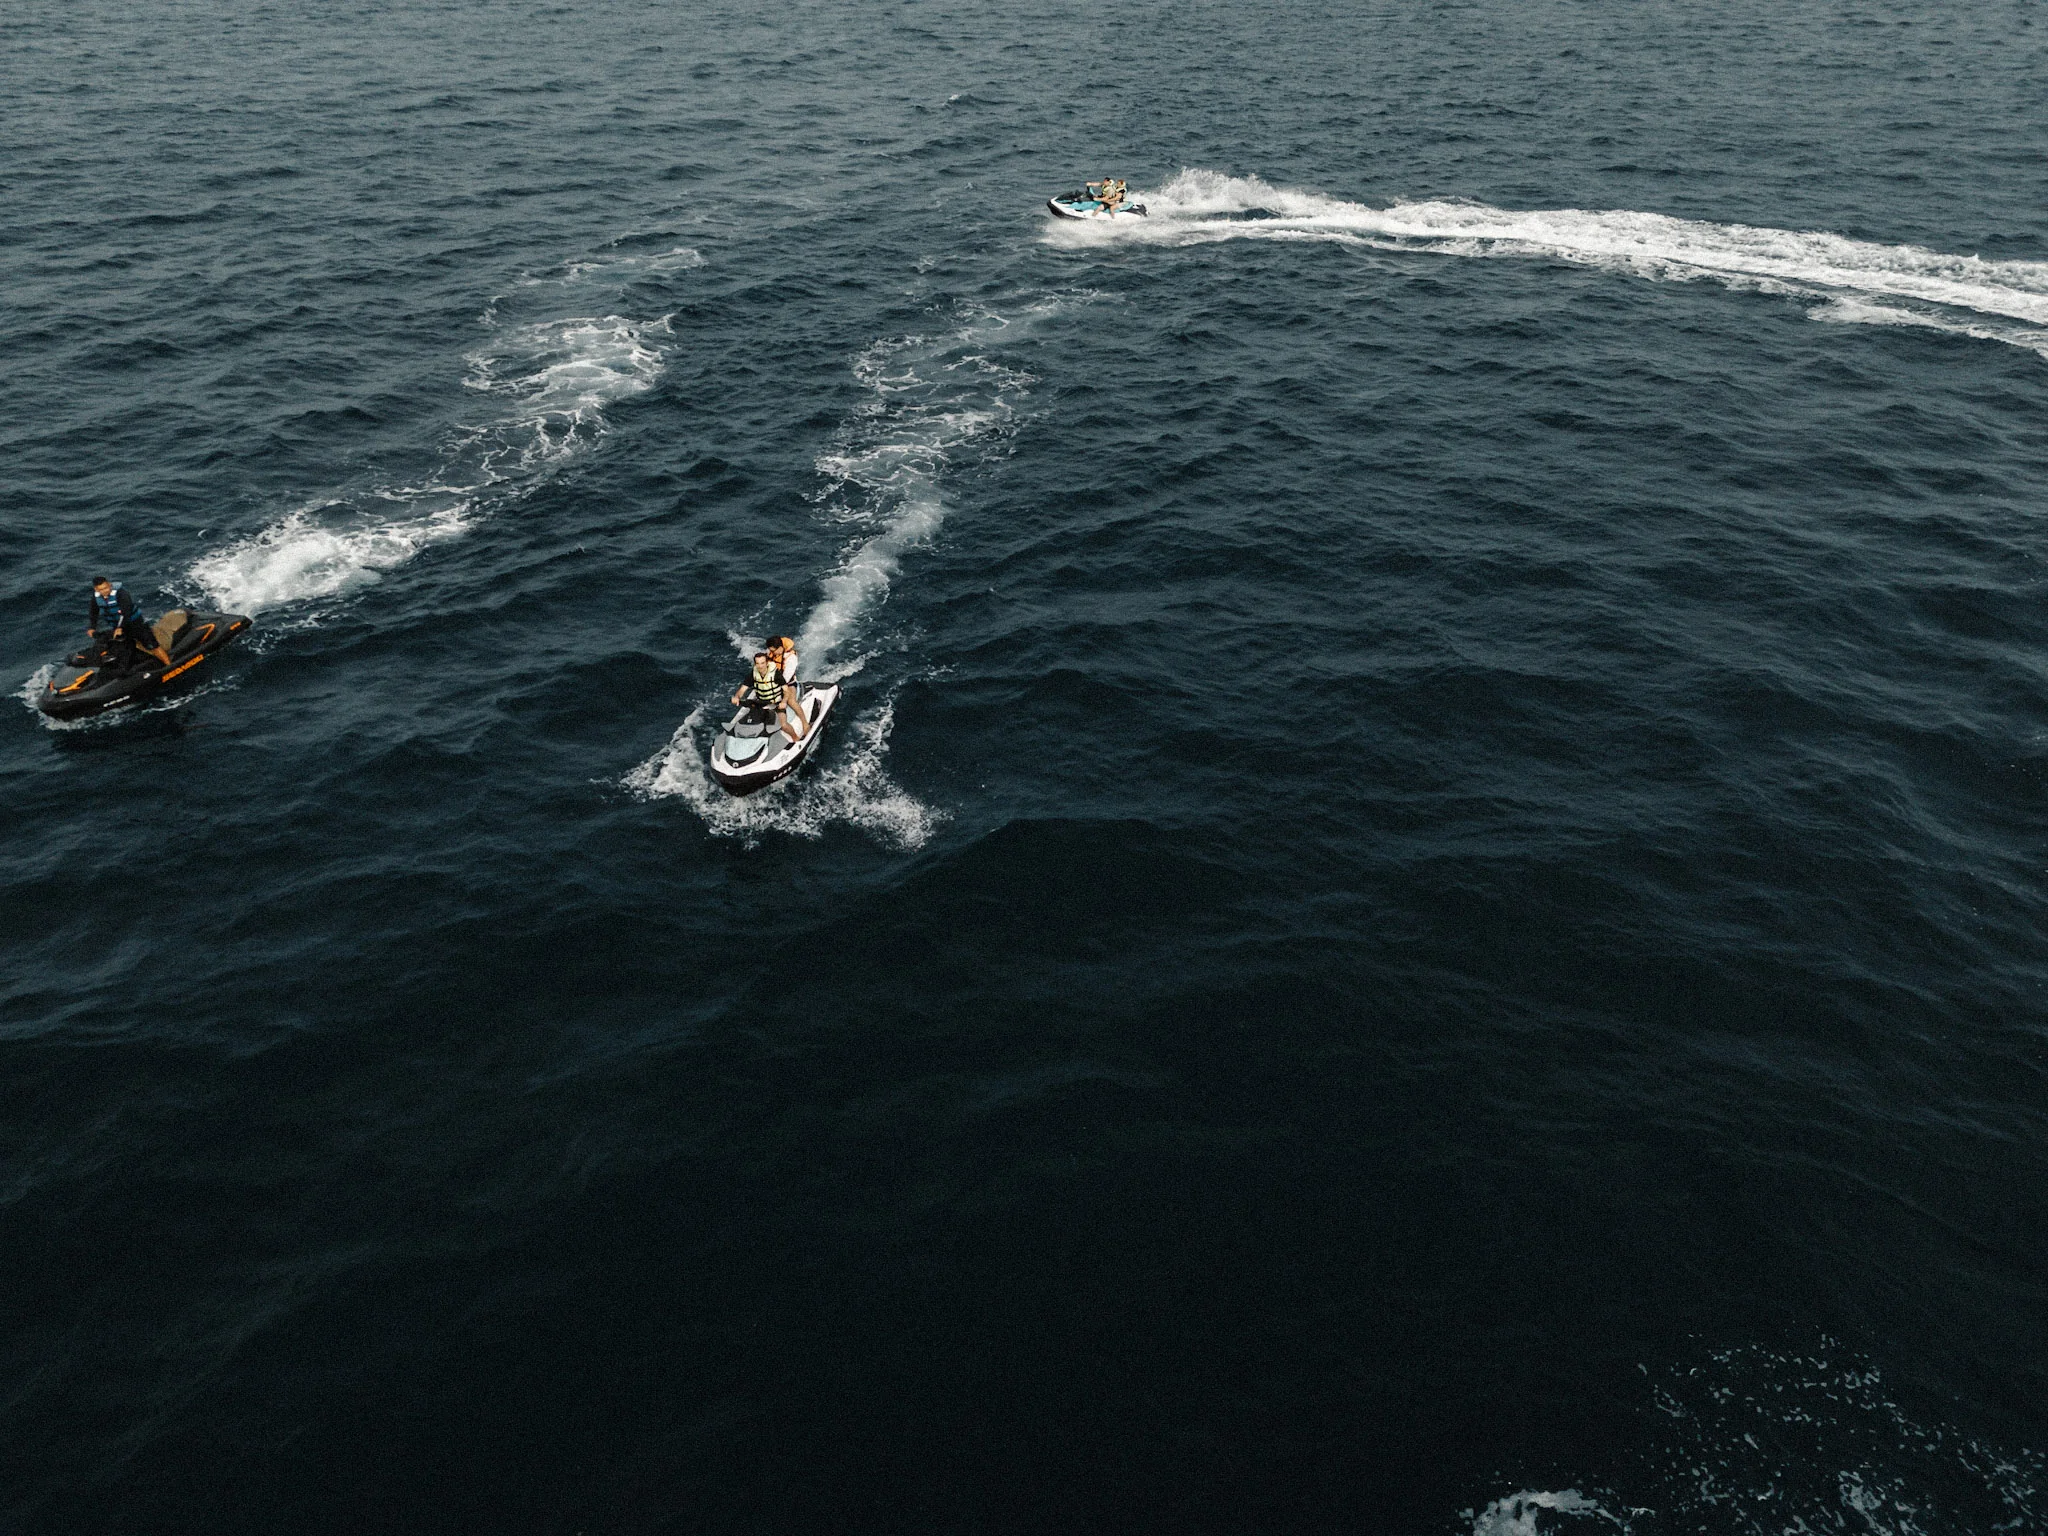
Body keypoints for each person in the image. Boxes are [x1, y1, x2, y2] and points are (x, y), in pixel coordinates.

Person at [87, 576, 171, 670]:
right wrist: (92, 627)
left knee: (151, 644)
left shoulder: (121, 593)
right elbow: (93, 612)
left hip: (134, 623)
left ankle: (169, 665)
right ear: (96, 589)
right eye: (101, 590)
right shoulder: (96, 598)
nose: (105, 591)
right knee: (124, 648)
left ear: (109, 584)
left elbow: (126, 612)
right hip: (118, 627)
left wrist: (120, 628)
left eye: (106, 587)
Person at [732, 651, 804, 748]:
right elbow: (742, 689)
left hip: (776, 702)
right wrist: (737, 697)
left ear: (766, 663)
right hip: (761, 702)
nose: (760, 666)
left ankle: (796, 739)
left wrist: (783, 702)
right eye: (757, 663)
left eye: (762, 663)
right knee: (753, 722)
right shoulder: (753, 674)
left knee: (784, 725)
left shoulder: (776, 674)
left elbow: (786, 691)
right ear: (755, 664)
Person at [765, 635, 807, 735]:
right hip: (772, 683)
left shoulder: (791, 658)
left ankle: (805, 724)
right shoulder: (770, 653)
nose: (772, 653)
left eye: (774, 650)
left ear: (780, 648)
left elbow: (785, 678)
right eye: (771, 650)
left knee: (791, 701)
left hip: (788, 684)